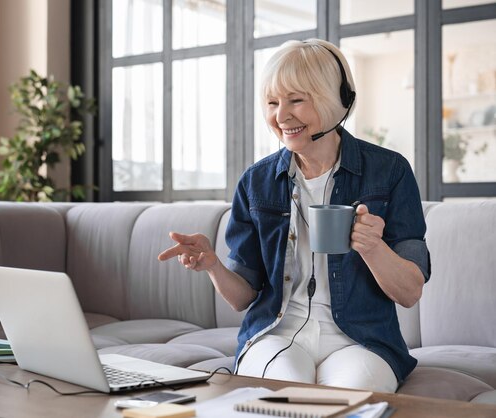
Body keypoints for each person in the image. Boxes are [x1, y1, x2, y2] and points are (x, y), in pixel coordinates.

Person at [157, 38, 430, 393]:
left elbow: (409, 292)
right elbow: (242, 298)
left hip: (362, 341)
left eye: (296, 100)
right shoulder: (256, 182)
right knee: (287, 396)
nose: (281, 116)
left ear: (338, 100)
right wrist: (212, 265)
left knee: (348, 401)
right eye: (272, 103)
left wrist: (372, 247)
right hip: (276, 334)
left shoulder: (389, 172)